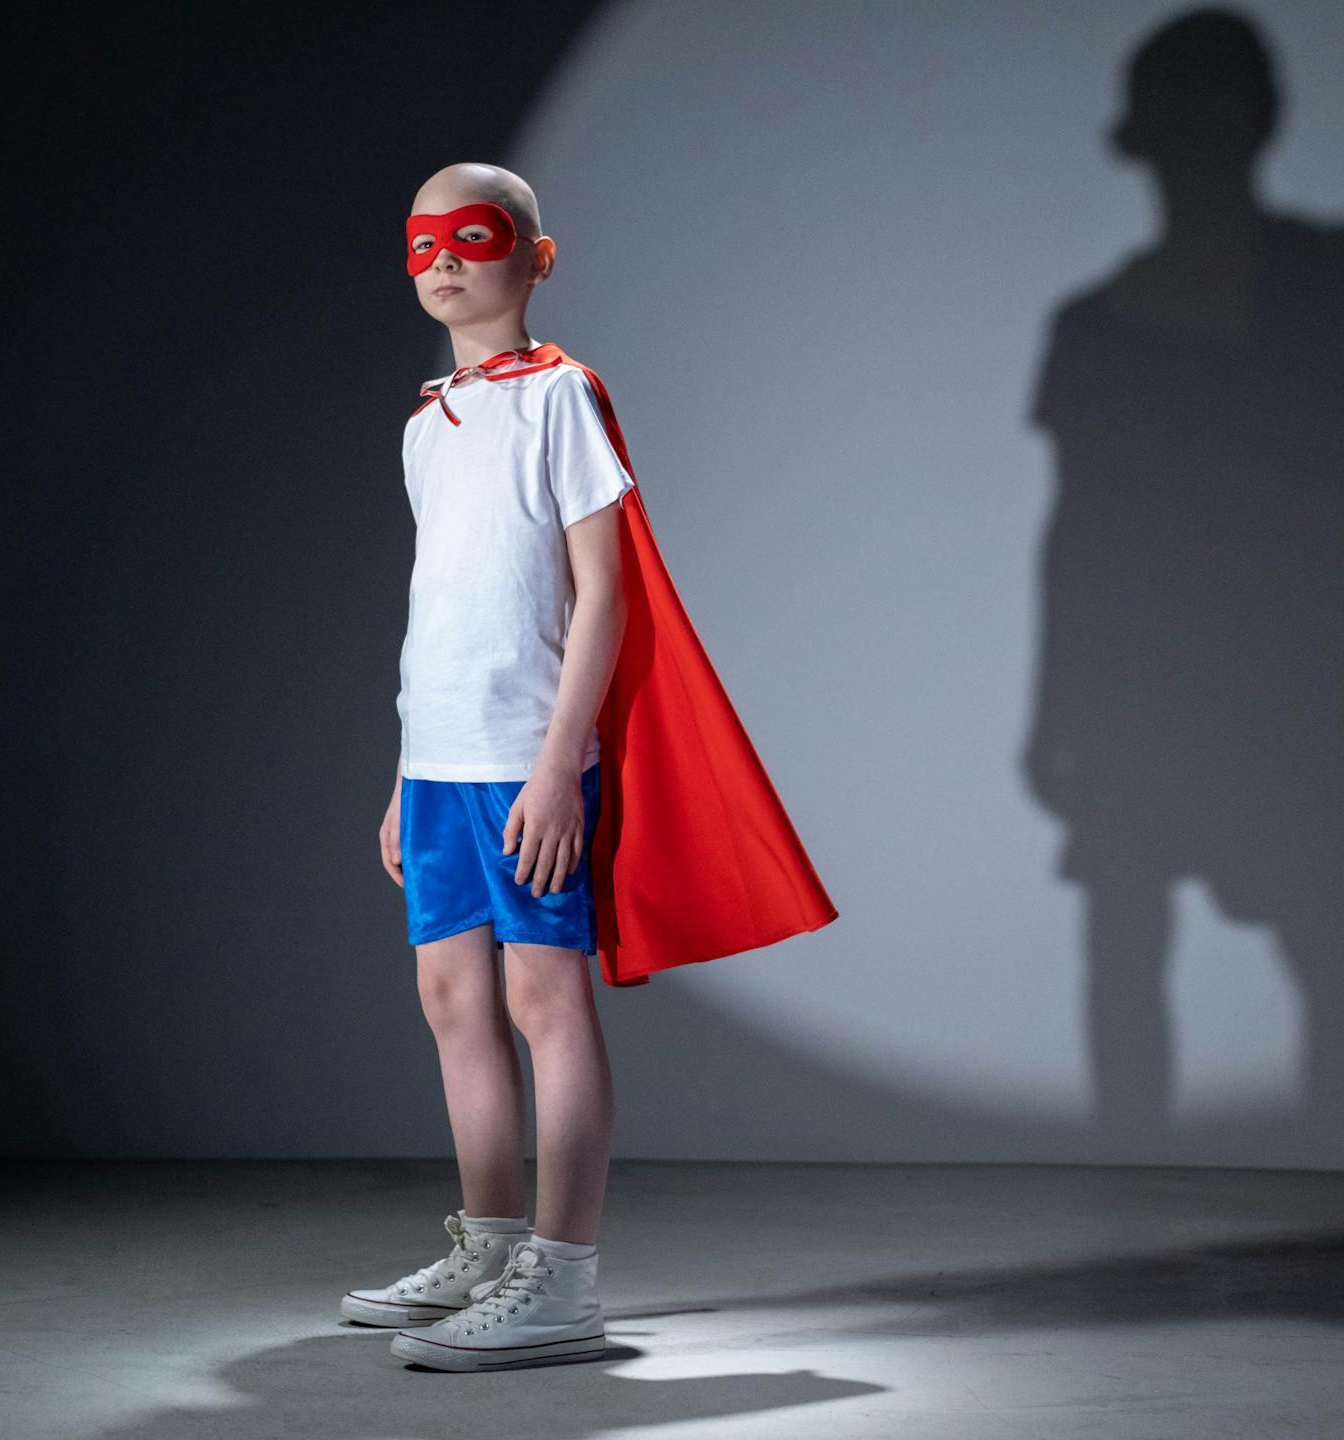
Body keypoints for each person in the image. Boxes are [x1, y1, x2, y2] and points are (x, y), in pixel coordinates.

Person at [340, 163, 837, 1374]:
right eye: (421, 242)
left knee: (542, 999)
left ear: (536, 256)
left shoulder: (561, 397)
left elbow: (603, 592)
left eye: (473, 235)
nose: (443, 261)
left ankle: (561, 1279)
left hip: (527, 757)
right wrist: (406, 771)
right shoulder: (425, 425)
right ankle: (491, 1244)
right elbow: (440, 608)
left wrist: (562, 763)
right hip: (442, 758)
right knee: (451, 998)